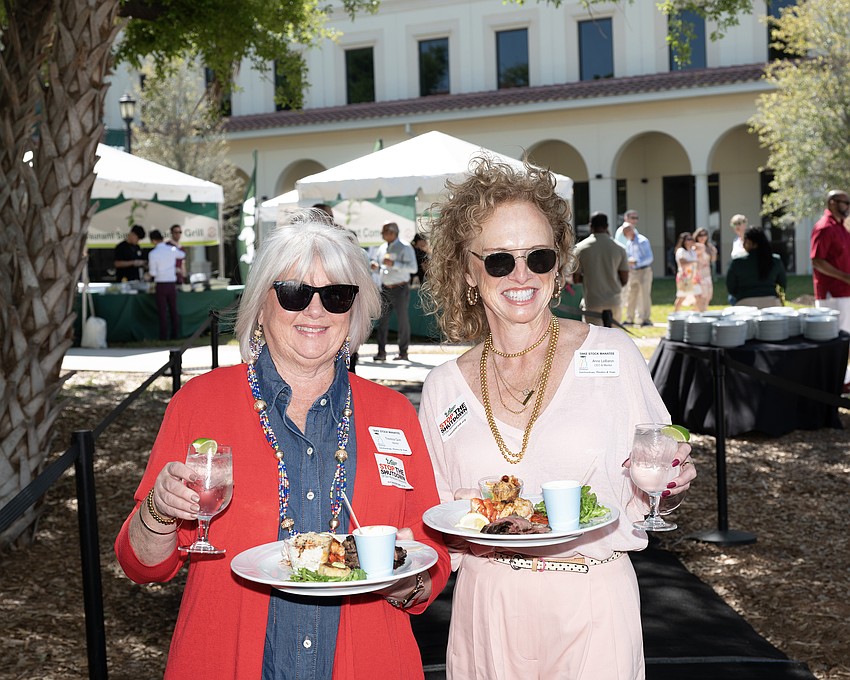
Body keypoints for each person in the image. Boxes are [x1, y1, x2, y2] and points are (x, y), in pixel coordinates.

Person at [114, 217, 450, 679]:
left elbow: (431, 552)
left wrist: (408, 581)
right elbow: (143, 565)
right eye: (295, 292)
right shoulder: (199, 404)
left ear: (354, 311)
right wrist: (159, 509)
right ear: (260, 304)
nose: (315, 312)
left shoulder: (392, 413)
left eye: (336, 296)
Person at [418, 156, 695, 679]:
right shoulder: (442, 388)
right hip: (487, 608)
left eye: (539, 258)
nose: (521, 276)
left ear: (559, 266)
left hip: (592, 599)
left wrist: (671, 480)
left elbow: (655, 468)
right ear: (467, 271)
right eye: (499, 261)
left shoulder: (613, 353)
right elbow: (440, 522)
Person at [371, 221, 417, 361]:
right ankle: (381, 353)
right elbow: (383, 268)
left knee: (403, 321)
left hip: (400, 288)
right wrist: (376, 268)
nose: (382, 235)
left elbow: (413, 269)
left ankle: (403, 352)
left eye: (384, 232)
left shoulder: (405, 247)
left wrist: (395, 264)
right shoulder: (382, 248)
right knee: (382, 322)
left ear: (392, 233)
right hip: (385, 288)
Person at [573, 211, 629, 325]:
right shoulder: (619, 248)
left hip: (592, 301)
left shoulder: (580, 248)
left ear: (590, 226)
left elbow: (576, 279)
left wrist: (591, 278)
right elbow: (624, 279)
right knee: (614, 338)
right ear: (607, 226)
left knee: (594, 339)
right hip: (614, 301)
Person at [810, 189, 850, 334]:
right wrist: (845, 277)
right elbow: (817, 261)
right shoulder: (824, 227)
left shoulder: (841, 227)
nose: (848, 206)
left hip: (845, 292)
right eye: (845, 203)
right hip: (832, 295)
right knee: (836, 340)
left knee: (846, 339)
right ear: (832, 203)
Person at [725, 226, 787, 308]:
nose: (743, 244)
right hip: (771, 302)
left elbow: (731, 288)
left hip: (744, 302)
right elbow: (783, 284)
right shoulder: (775, 260)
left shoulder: (737, 262)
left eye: (744, 241)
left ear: (750, 242)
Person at [147, 229, 182, 340]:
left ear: (153, 240)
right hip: (171, 283)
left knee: (162, 311)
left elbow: (153, 273)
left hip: (161, 284)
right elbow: (182, 254)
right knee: (173, 310)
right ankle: (175, 335)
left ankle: (163, 336)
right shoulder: (171, 249)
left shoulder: (153, 253)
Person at [622, 221, 654, 326]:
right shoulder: (629, 243)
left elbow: (649, 258)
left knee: (644, 295)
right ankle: (629, 319)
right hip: (633, 271)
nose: (625, 234)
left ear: (631, 230)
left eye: (626, 231)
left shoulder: (642, 241)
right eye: (624, 232)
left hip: (644, 270)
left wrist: (636, 262)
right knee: (631, 295)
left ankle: (645, 319)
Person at [673, 232, 700, 312]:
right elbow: (683, 263)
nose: (691, 241)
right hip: (684, 277)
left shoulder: (693, 251)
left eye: (692, 239)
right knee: (681, 297)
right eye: (689, 239)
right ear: (683, 241)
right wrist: (694, 262)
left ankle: (695, 313)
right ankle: (675, 314)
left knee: (697, 296)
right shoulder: (681, 251)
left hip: (694, 276)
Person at [693, 227, 718, 311]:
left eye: (704, 235)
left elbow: (713, 260)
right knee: (700, 297)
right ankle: (700, 315)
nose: (702, 237)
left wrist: (713, 252)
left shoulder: (709, 247)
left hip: (707, 274)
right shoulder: (695, 247)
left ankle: (703, 312)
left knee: (708, 296)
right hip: (698, 275)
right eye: (700, 235)